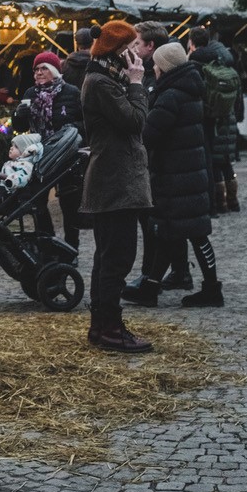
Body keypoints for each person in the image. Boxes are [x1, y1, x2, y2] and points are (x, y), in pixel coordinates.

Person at [122, 42, 223, 309]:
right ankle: (153, 287)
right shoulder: (188, 90)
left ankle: (210, 290)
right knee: (175, 232)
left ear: (164, 67)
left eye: (156, 64)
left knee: (186, 232)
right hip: (188, 173)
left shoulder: (170, 96)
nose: (153, 68)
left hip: (177, 176)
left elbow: (150, 134)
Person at [79, 20, 153, 354]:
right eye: (132, 48)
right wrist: (137, 84)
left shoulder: (105, 79)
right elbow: (135, 121)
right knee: (117, 258)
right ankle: (109, 328)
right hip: (114, 182)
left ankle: (102, 326)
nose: (138, 54)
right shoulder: (100, 83)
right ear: (119, 51)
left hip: (116, 181)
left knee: (109, 256)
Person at [128, 21, 192, 288]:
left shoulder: (158, 77)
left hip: (161, 162)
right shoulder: (160, 76)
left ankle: (150, 276)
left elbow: (151, 123)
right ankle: (178, 272)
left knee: (155, 221)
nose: (132, 48)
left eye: (137, 44)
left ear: (150, 47)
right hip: (166, 162)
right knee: (167, 221)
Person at [13, 52, 83, 247]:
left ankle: (71, 247)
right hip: (40, 154)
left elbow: (85, 122)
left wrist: (71, 133)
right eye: (36, 69)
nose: (38, 72)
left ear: (54, 71)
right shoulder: (30, 93)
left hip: (67, 155)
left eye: (44, 68)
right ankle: (48, 242)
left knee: (69, 205)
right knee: (38, 202)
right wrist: (19, 115)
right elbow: (18, 127)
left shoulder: (71, 92)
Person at [187, 26, 242, 212]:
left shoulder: (196, 62)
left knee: (214, 162)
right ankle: (233, 201)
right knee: (226, 161)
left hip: (209, 118)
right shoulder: (223, 60)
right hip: (228, 116)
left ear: (191, 42)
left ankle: (220, 203)